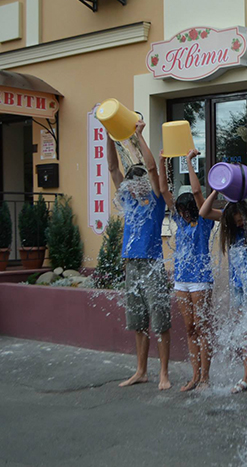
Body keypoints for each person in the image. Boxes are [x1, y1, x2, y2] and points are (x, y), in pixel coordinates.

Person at [107, 120, 171, 390]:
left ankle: (164, 374)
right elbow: (113, 168)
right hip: (131, 266)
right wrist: (109, 135)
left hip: (152, 265)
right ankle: (141, 371)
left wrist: (138, 136)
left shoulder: (155, 201)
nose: (134, 186)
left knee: (160, 321)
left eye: (138, 181)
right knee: (138, 321)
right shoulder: (128, 200)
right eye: (131, 182)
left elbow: (153, 168)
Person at [199, 177, 247, 396]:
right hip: (239, 288)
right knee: (246, 332)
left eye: (241, 220)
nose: (239, 224)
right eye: (235, 222)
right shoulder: (232, 224)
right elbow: (204, 212)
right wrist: (216, 190)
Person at [158, 149, 214, 392]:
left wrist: (190, 162)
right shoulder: (180, 221)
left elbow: (198, 192)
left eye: (184, 210)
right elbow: (164, 191)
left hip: (200, 280)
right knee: (190, 328)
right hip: (181, 280)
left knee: (202, 328)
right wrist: (162, 162)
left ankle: (205, 378)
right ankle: (195, 376)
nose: (181, 214)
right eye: (179, 211)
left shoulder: (204, 220)